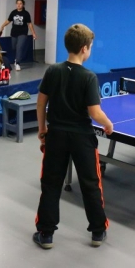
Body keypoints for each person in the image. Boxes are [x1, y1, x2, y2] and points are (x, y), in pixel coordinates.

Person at [33, 24, 114, 250]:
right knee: (91, 184)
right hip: (82, 139)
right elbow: (95, 113)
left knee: (51, 184)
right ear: (84, 48)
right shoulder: (89, 77)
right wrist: (108, 124)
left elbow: (40, 104)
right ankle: (97, 231)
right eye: (91, 47)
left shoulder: (52, 71)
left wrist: (42, 130)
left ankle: (46, 234)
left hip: (56, 136)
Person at [0, 0, 36, 71]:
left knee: (19, 47)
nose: (19, 5)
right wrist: (2, 26)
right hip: (14, 33)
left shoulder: (26, 13)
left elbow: (29, 24)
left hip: (23, 33)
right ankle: (17, 59)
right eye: (17, 3)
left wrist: (33, 33)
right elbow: (8, 20)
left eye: (20, 3)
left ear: (23, 5)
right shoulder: (13, 12)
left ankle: (18, 63)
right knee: (14, 47)